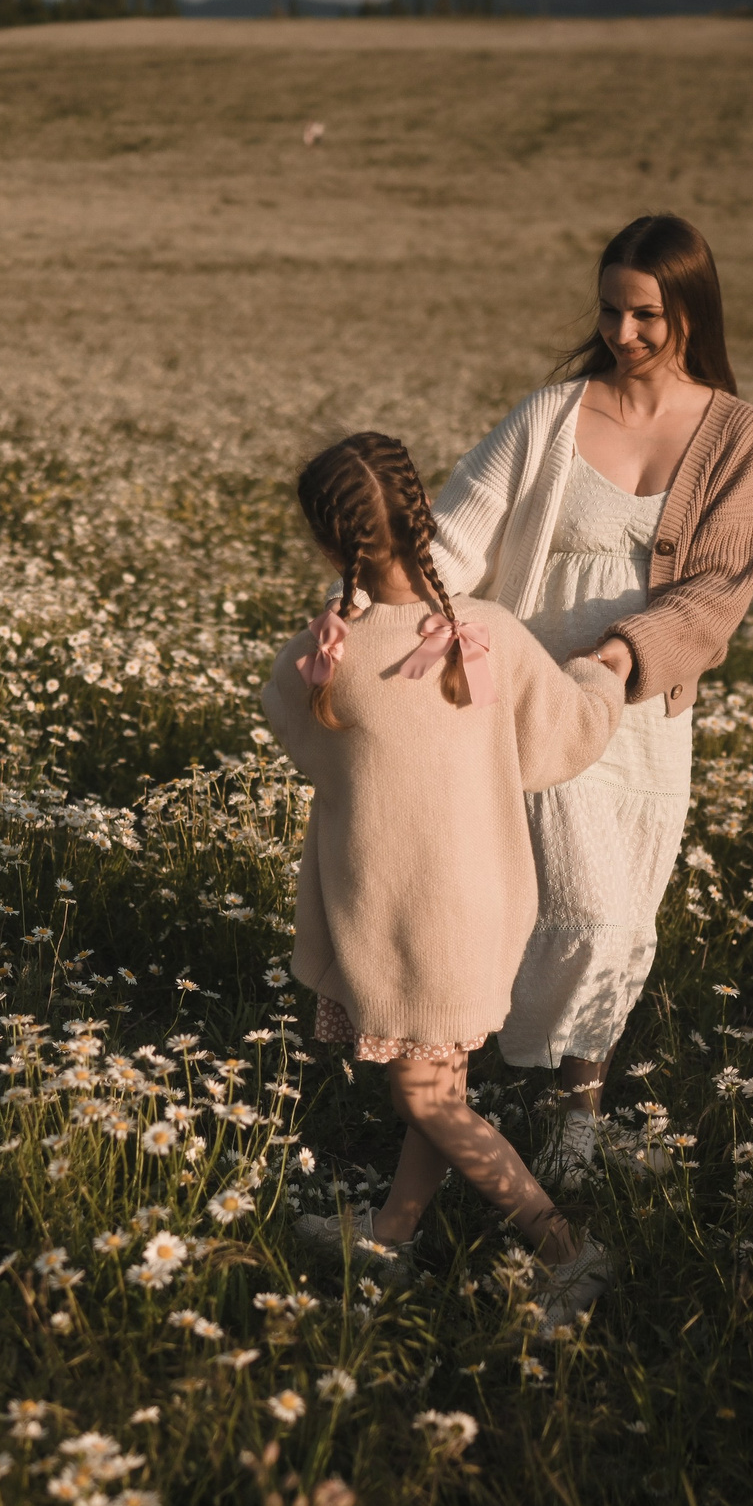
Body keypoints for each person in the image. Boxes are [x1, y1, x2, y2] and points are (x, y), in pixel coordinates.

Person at [426, 215, 753, 1187]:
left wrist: (623, 662)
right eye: (610, 312)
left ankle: (565, 1124)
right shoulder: (548, 414)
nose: (623, 335)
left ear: (689, 313)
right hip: (534, 706)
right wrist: (384, 612)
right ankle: (500, 1111)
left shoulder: (735, 434)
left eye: (646, 317)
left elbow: (716, 590)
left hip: (646, 717)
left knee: (625, 915)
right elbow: (456, 537)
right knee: (584, 911)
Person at [263, 433, 626, 1325]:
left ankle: (567, 1249)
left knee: (424, 1095)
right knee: (442, 1085)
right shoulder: (492, 634)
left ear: (327, 543)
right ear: (424, 516)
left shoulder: (329, 657)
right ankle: (391, 1232)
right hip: (484, 907)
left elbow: (292, 729)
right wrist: (602, 674)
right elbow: (561, 739)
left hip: (403, 920)